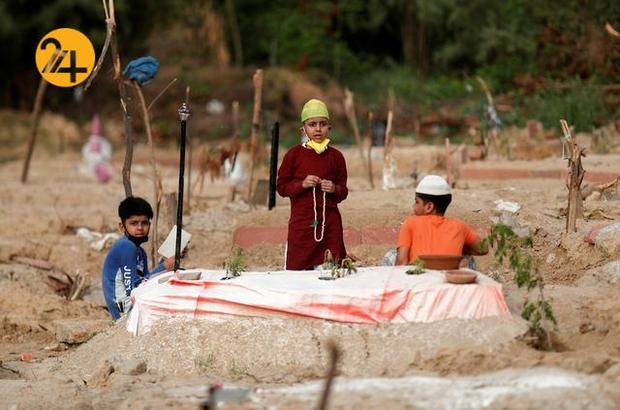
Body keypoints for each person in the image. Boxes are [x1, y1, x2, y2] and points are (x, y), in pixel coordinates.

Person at [277, 99, 348, 270]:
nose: (317, 129)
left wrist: (333, 188)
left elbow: (343, 191)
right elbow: (281, 187)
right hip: (302, 223)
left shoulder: (336, 156)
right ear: (303, 129)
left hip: (329, 224)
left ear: (329, 128)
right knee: (298, 271)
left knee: (332, 270)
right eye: (312, 124)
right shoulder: (293, 155)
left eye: (322, 124)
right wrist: (302, 184)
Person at [102, 197, 175, 320]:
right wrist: (164, 267)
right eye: (134, 223)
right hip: (125, 312)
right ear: (122, 227)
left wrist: (165, 263)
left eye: (144, 223)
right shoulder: (126, 246)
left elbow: (145, 280)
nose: (140, 228)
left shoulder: (140, 251)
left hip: (132, 303)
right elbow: (133, 289)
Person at [395, 175, 488, 265]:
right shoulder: (459, 226)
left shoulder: (410, 222)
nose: (413, 206)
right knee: (467, 258)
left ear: (429, 207)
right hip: (447, 278)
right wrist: (459, 245)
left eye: (416, 202)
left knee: (391, 255)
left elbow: (401, 262)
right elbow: (483, 249)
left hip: (419, 277)